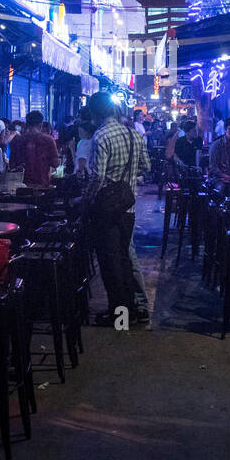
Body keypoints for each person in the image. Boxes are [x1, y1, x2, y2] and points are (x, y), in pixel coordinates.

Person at [85, 91, 150, 326]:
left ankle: (119, 316)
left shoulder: (101, 136)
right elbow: (146, 166)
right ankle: (129, 311)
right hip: (128, 209)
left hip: (107, 211)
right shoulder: (134, 135)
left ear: (95, 113)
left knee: (110, 263)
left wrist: (86, 199)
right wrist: (128, 177)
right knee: (123, 259)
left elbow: (97, 177)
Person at [8, 109, 59, 186]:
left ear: (27, 124)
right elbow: (55, 163)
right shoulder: (48, 140)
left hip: (22, 185)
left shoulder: (17, 140)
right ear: (41, 125)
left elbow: (12, 164)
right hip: (42, 184)